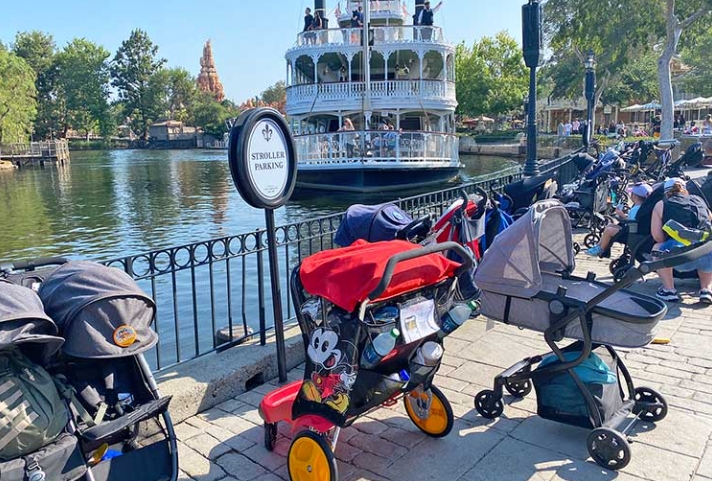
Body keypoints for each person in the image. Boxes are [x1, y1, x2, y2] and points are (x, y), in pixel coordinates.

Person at [651, 178, 712, 303]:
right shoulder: (700, 201)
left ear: (665, 191)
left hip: (680, 256)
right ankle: (706, 289)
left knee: (657, 248)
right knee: (705, 245)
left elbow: (658, 236)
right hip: (706, 254)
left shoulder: (661, 204)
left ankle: (669, 290)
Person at [586, 182, 653, 258]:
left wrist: (622, 215)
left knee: (609, 230)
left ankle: (601, 249)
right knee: (610, 226)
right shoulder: (643, 207)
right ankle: (599, 246)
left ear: (634, 196)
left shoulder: (636, 209)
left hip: (632, 234)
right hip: (634, 231)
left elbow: (631, 222)